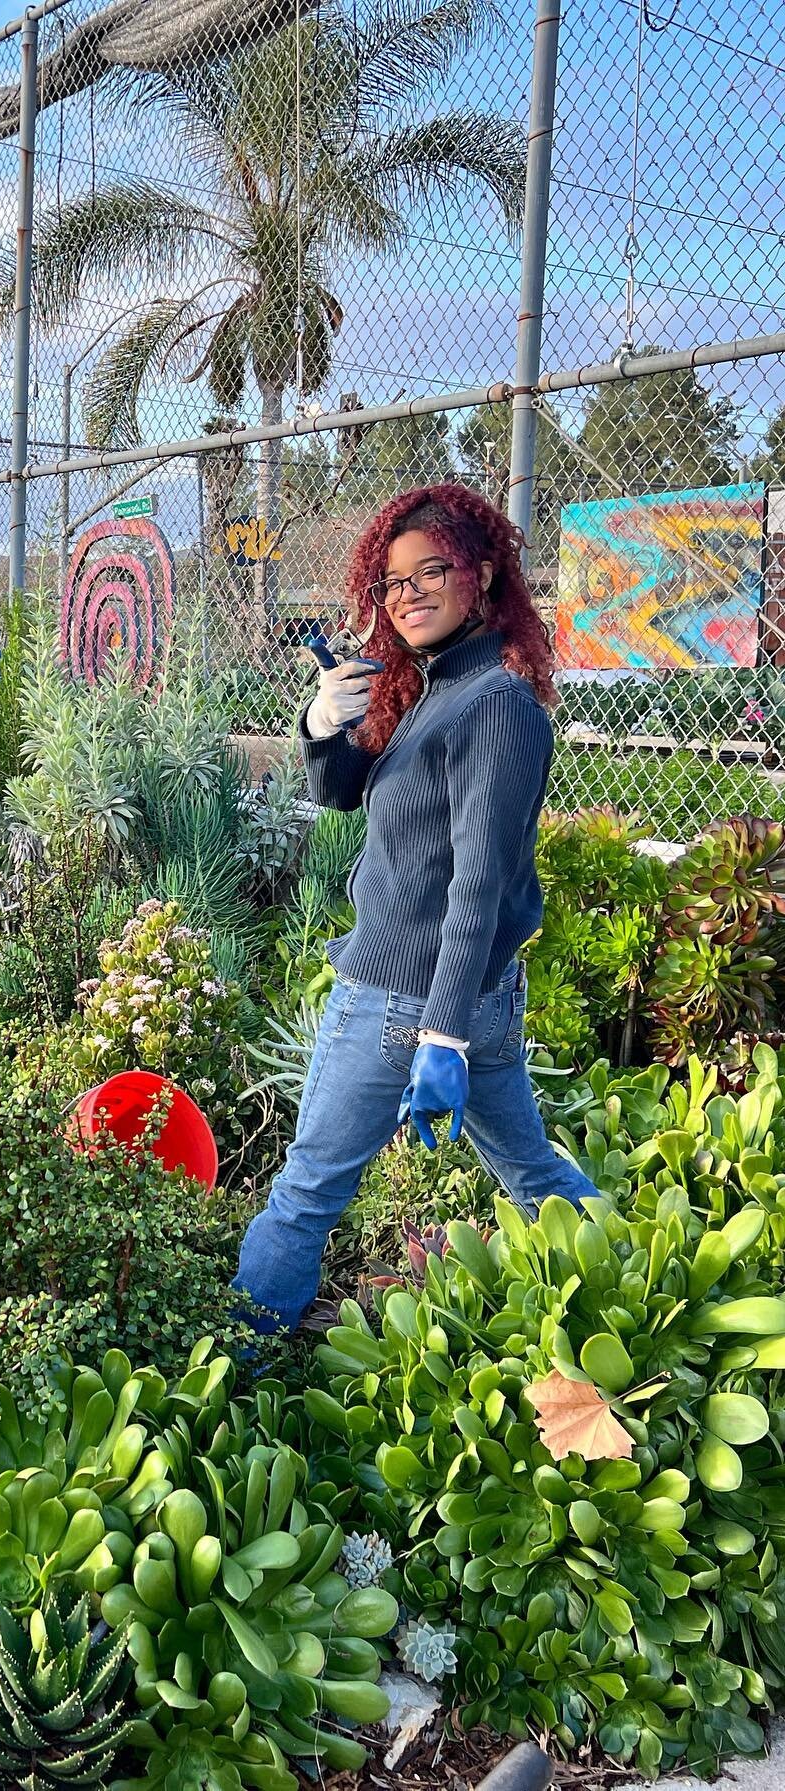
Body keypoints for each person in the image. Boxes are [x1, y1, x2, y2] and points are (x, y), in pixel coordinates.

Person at [234, 484, 595, 1332]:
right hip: (465, 1001)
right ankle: (633, 1276)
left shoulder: (497, 707)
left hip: (408, 1000)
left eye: (431, 570)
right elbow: (345, 797)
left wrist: (441, 1037)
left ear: (483, 574)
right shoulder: (436, 688)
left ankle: (230, 1376)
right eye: (392, 583)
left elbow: (478, 887)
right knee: (534, 1175)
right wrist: (325, 725)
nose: (410, 595)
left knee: (306, 1192)